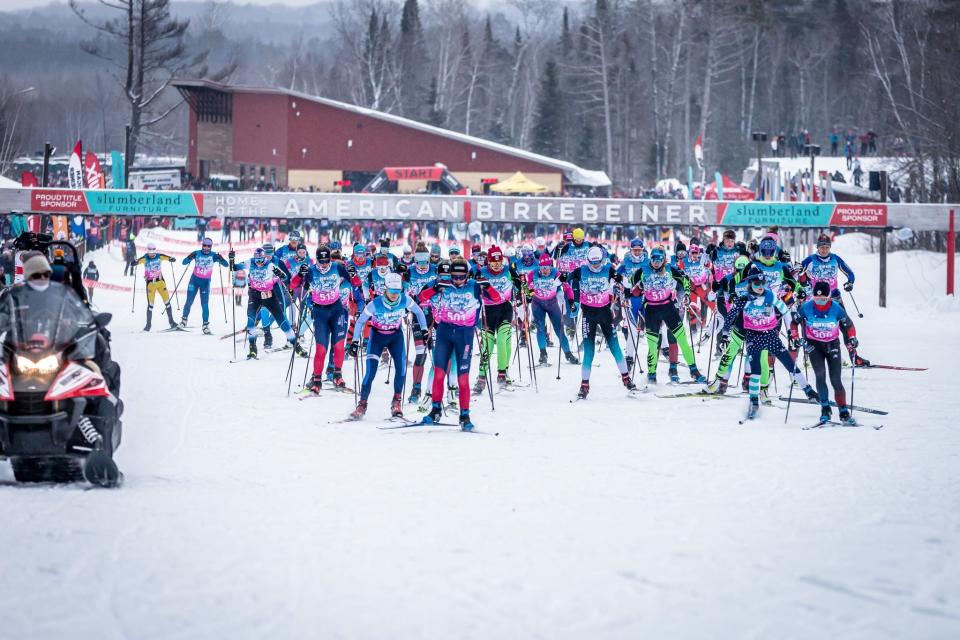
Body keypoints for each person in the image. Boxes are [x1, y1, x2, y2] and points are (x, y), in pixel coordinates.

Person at [723, 265, 817, 420]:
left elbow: (785, 309)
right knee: (756, 370)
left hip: (771, 336)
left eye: (763, 283)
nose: (760, 287)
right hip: (753, 337)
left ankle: (808, 390)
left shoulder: (770, 295)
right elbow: (731, 316)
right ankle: (754, 401)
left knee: (789, 363)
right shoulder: (744, 299)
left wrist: (797, 308)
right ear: (750, 284)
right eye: (756, 284)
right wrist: (725, 335)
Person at [420, 258, 502, 430]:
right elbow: (421, 298)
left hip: (464, 336)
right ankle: (435, 410)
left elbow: (497, 298)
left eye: (461, 277)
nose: (457, 280)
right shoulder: (444, 285)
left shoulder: (474, 286)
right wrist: (434, 289)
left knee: (462, 378)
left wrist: (487, 286)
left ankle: (464, 415)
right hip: (444, 332)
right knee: (439, 374)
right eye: (454, 276)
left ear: (467, 275)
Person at [348, 273, 428, 420]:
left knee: (401, 368)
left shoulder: (405, 300)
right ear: (385, 289)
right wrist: (354, 342)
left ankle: (396, 402)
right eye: (392, 291)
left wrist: (424, 329)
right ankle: (362, 404)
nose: (394, 295)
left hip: (395, 336)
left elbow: (419, 311)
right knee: (371, 372)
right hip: (377, 336)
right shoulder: (375, 303)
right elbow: (360, 321)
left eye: (397, 292)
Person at [565, 246, 638, 399]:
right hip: (588, 315)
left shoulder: (609, 269)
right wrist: (571, 298)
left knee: (615, 346)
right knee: (589, 352)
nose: (595, 266)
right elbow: (565, 279)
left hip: (605, 313)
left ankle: (626, 378)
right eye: (593, 263)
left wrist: (621, 281)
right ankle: (584, 385)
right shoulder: (581, 270)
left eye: (598, 263)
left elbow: (627, 284)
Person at [292, 245, 362, 394]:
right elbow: (293, 285)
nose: (324, 264)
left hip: (336, 310)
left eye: (326, 260)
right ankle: (317, 379)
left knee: (338, 347)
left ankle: (337, 374)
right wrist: (299, 274)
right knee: (321, 349)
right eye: (321, 261)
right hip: (320, 312)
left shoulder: (338, 267)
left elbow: (357, 283)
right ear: (316, 259)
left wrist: (354, 274)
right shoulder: (311, 271)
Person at [631, 246, 705, 384]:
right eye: (653, 259)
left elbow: (686, 280)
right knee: (653, 346)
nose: (656, 262)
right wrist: (636, 288)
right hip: (651, 310)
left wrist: (687, 295)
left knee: (682, 340)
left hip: (668, 308)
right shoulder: (642, 270)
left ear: (664, 259)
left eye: (659, 259)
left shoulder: (670, 269)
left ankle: (694, 371)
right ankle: (652, 375)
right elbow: (630, 285)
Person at [791, 281, 860, 425]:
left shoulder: (837, 308)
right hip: (814, 345)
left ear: (829, 297)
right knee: (820, 375)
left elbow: (849, 325)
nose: (820, 302)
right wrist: (795, 337)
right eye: (817, 299)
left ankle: (843, 410)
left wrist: (852, 338)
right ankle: (825, 408)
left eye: (823, 299)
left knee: (836, 379)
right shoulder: (806, 307)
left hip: (832, 344)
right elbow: (794, 323)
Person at [799, 233, 869, 366]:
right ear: (817, 247)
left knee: (844, 325)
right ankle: (808, 357)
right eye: (821, 247)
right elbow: (796, 273)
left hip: (834, 297)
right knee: (810, 326)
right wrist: (801, 281)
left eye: (826, 247)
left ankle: (854, 357)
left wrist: (850, 282)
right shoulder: (810, 260)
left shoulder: (835, 259)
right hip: (817, 299)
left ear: (830, 247)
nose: (824, 250)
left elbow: (850, 273)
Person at [233, 247, 308, 359]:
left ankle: (296, 345)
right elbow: (235, 267)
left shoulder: (270, 265)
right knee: (251, 320)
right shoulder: (250, 262)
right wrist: (231, 260)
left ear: (264, 258)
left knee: (282, 321)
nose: (258, 263)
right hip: (255, 295)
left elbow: (285, 276)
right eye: (257, 260)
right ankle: (252, 348)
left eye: (261, 260)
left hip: (269, 296)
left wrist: (281, 276)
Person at [474, 245, 522, 392]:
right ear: (489, 262)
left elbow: (520, 284)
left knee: (502, 340)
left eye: (499, 262)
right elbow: (473, 290)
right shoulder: (481, 272)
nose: (496, 266)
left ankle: (502, 373)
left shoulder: (508, 270)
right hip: (488, 311)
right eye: (493, 263)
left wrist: (522, 293)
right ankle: (481, 377)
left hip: (505, 309)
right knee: (487, 345)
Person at [527, 254, 578, 366]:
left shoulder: (556, 273)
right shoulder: (533, 273)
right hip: (537, 304)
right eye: (542, 268)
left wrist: (571, 301)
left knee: (559, 329)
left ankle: (568, 354)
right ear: (539, 267)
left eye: (548, 268)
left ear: (552, 267)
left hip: (552, 304)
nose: (545, 271)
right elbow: (529, 286)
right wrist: (529, 294)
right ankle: (543, 354)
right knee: (540, 328)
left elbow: (567, 288)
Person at [402, 243, 438, 403]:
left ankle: (438, 388)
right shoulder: (409, 272)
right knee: (420, 354)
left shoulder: (436, 270)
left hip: (436, 317)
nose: (422, 267)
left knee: (437, 355)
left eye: (425, 263)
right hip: (418, 316)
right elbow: (403, 292)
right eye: (419, 263)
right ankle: (416, 388)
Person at [178, 237, 230, 334]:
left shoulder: (214, 255)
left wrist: (221, 259)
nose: (206, 247)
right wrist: (190, 257)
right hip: (194, 281)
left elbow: (226, 265)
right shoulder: (197, 253)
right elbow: (183, 262)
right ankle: (184, 320)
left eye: (208, 246)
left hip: (205, 283)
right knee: (189, 301)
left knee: (205, 304)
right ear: (202, 245)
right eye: (204, 245)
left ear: (211, 246)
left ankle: (205, 325)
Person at [615, 238, 648, 372]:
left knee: (656, 326)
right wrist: (617, 288)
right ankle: (629, 357)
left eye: (639, 250)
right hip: (630, 298)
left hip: (646, 297)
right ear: (631, 250)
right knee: (632, 330)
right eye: (635, 250)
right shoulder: (625, 262)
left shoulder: (647, 261)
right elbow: (615, 277)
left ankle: (663, 349)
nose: (637, 253)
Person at [135, 242, 178, 331]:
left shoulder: (159, 256)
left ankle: (172, 322)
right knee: (150, 305)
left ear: (155, 251)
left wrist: (171, 259)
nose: (151, 254)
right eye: (150, 252)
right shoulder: (145, 258)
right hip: (151, 284)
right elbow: (137, 261)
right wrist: (134, 263)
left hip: (161, 282)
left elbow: (167, 257)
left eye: (153, 251)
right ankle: (148, 325)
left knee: (167, 303)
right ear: (147, 251)